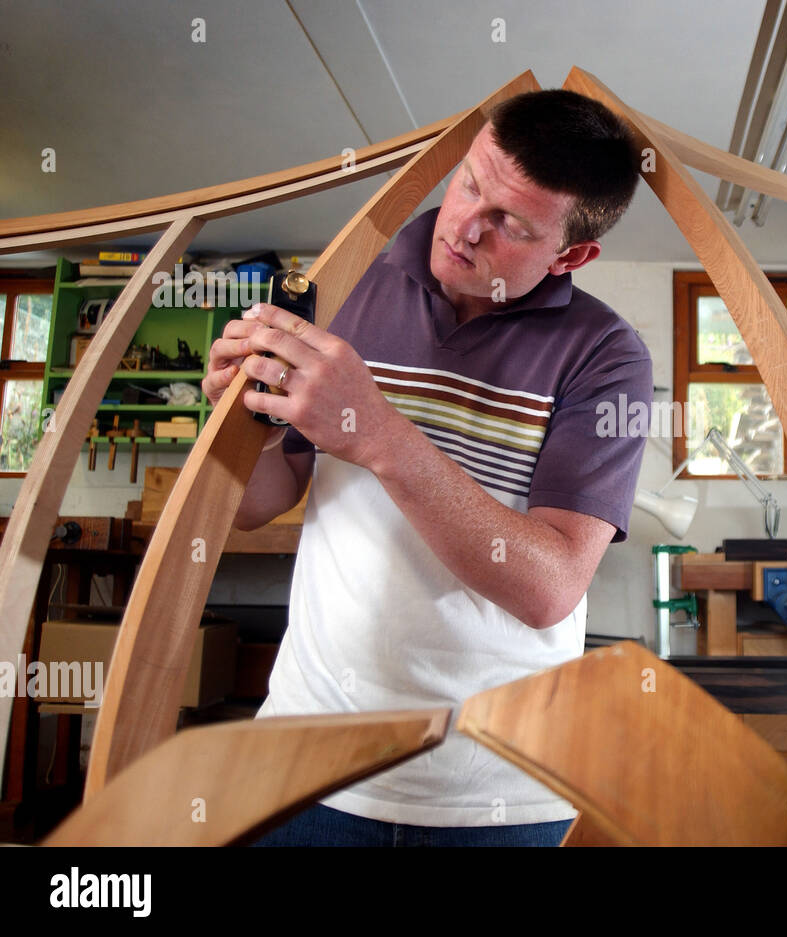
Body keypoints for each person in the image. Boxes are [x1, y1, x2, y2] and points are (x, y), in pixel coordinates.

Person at [200, 89, 651, 846]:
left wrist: (378, 431)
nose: (467, 226)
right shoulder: (347, 288)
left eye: (511, 223)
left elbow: (549, 586)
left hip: (498, 796)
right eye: (471, 183)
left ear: (570, 253)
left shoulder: (607, 355)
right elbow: (255, 503)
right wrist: (248, 428)